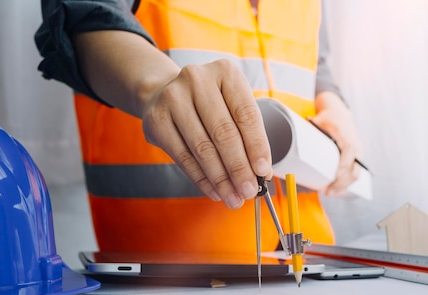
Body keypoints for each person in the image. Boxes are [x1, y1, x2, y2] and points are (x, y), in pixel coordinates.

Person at [35, 0, 363, 254]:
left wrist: (333, 104)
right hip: (166, 277)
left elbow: (314, 61)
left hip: (308, 258)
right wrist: (159, 85)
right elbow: (82, 15)